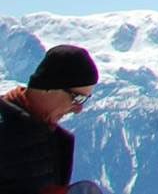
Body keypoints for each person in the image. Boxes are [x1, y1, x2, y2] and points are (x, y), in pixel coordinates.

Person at [0, 45, 104, 194]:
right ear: (49, 86)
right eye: (77, 98)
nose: (79, 109)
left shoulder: (55, 140)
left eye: (84, 100)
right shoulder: (4, 128)